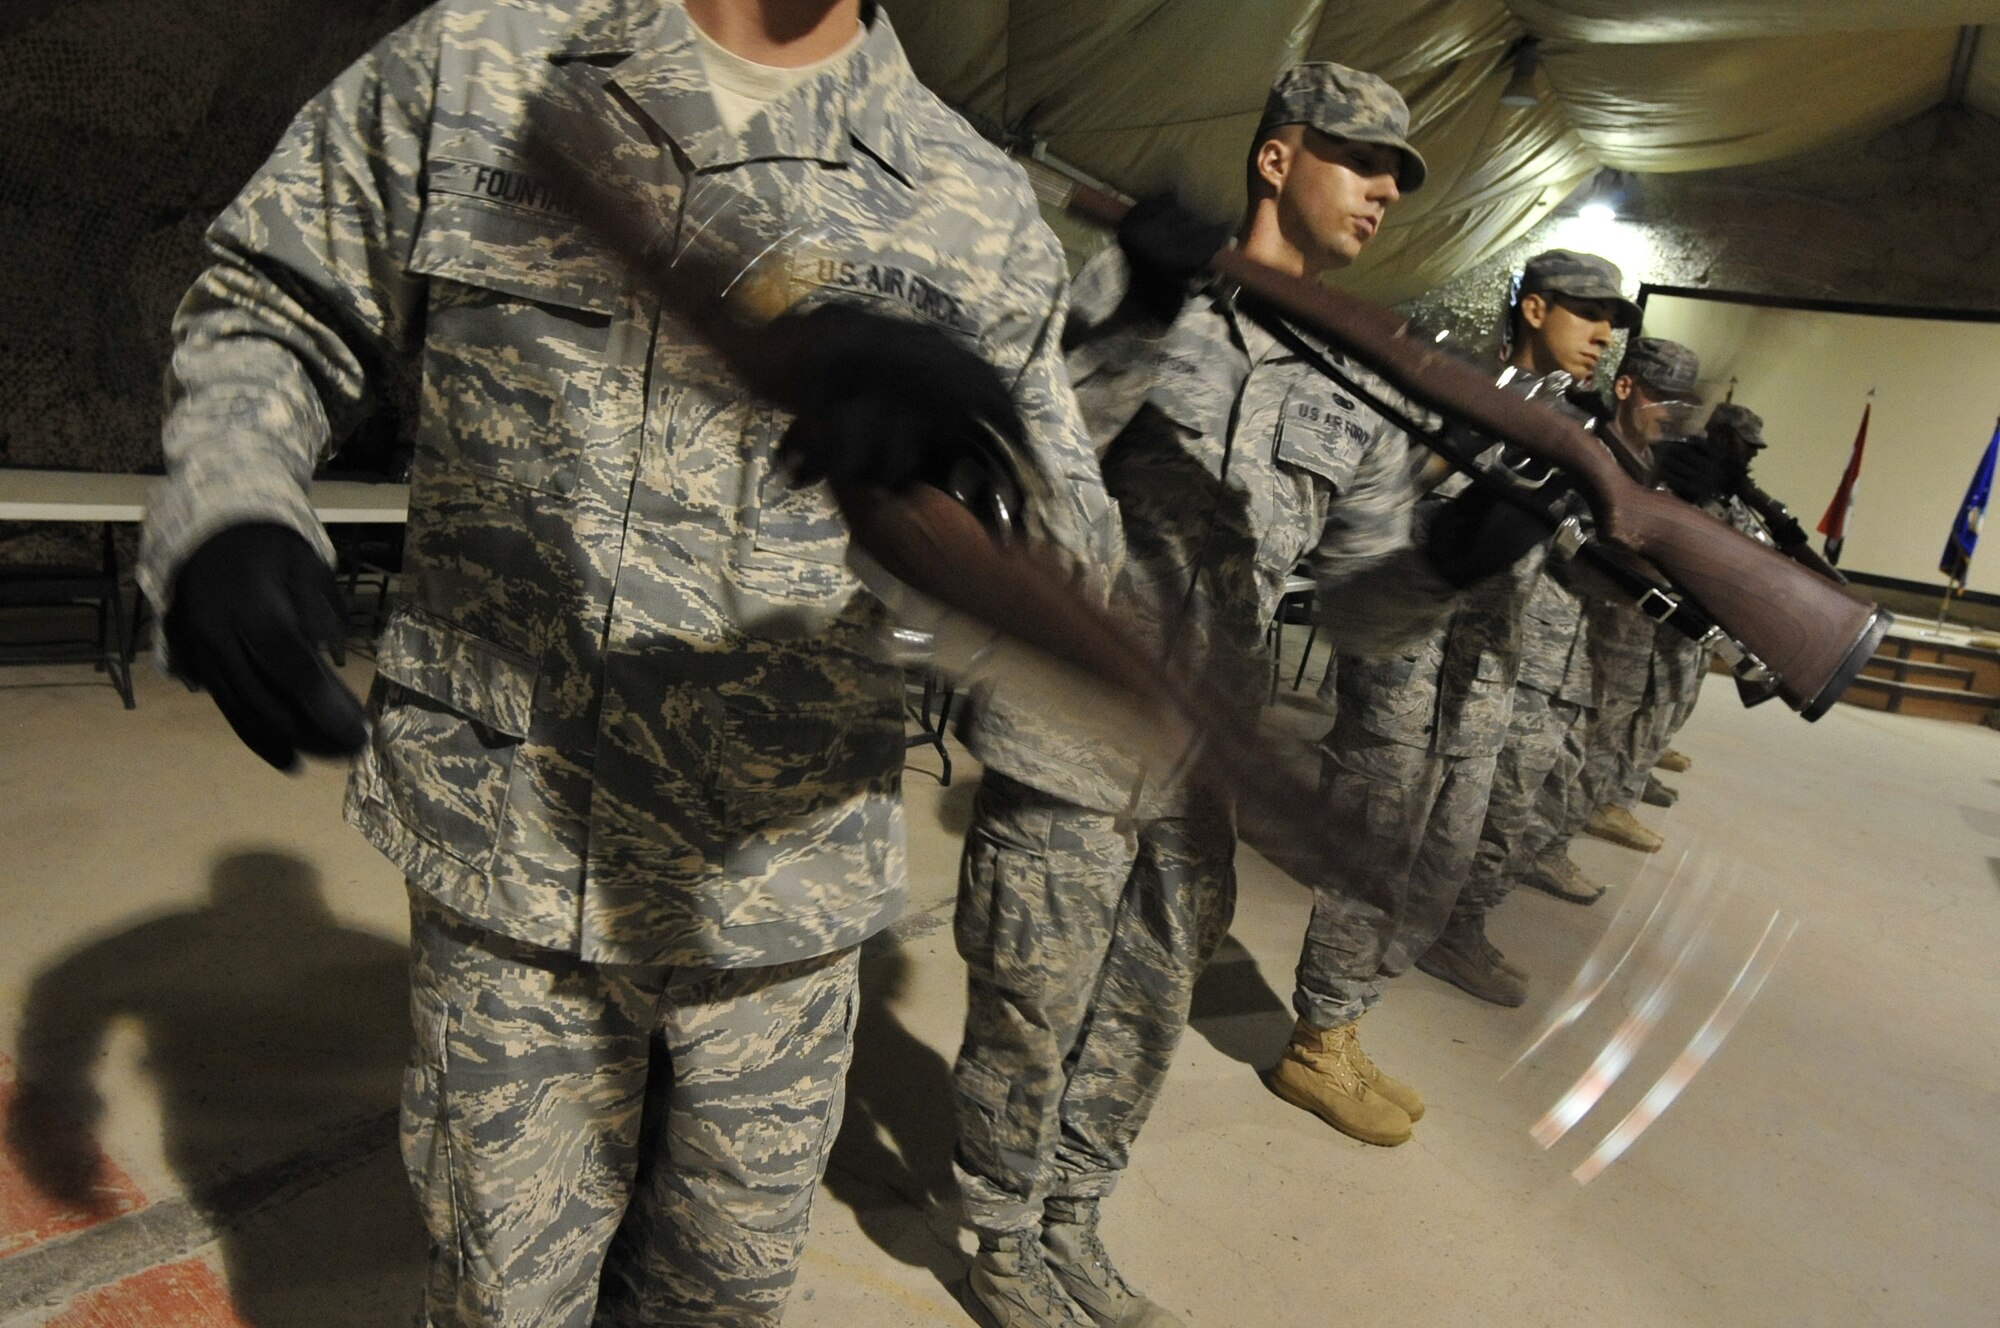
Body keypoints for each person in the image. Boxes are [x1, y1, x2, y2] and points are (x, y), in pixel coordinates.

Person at [137, 2, 1114, 1324]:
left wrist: (962, 488)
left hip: (779, 908)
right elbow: (273, 297)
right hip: (512, 879)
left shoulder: (976, 207)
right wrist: (232, 498)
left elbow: (1071, 579)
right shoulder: (486, 61)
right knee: (502, 1305)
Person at [948, 63, 1529, 1328]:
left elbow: (1359, 603)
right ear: (1278, 158)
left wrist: (1449, 559)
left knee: (1147, 1005)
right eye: (1359, 159)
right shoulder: (1125, 284)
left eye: (1395, 175)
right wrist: (1147, 306)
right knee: (1031, 999)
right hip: (1067, 717)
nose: (1382, 190)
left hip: (1206, 747)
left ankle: (1072, 1218)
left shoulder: (1357, 379)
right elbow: (1030, 459)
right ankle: (997, 1235)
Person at [1271, 249, 1636, 1142]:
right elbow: (1378, 509)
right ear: (1536, 307)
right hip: (1407, 662)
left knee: (1439, 866)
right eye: (1588, 313)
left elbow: (1567, 560)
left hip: (1487, 678)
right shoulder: (1451, 384)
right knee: (1373, 854)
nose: (1603, 335)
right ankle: (1318, 1039)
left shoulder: (1574, 424)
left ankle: (1351, 1015)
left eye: (1613, 321)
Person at [1564, 339, 1704, 847]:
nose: (1671, 414)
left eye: (1680, 403)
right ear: (1625, 387)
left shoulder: (1657, 467)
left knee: (1604, 742)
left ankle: (1563, 838)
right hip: (1575, 635)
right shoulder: (1590, 450)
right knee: (1557, 756)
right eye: (1661, 397)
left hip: (1629, 635)